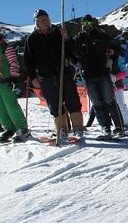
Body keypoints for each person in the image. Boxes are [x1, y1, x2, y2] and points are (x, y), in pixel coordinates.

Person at [24, 9, 85, 140]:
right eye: (41, 21)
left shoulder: (58, 32)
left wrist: (67, 38)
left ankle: (78, 129)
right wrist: (33, 78)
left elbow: (72, 51)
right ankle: (62, 130)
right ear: (36, 23)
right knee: (55, 104)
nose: (44, 22)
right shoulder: (32, 39)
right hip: (46, 77)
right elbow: (28, 61)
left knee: (72, 101)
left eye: (46, 19)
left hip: (65, 73)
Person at [70, 14, 122, 140]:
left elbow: (116, 48)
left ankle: (119, 127)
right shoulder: (78, 39)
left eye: (89, 24)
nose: (87, 27)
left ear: (93, 24)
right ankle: (105, 127)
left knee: (109, 100)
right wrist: (76, 62)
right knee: (97, 103)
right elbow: (70, 53)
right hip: (88, 74)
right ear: (81, 25)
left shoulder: (101, 36)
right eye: (85, 24)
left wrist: (112, 58)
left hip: (103, 72)